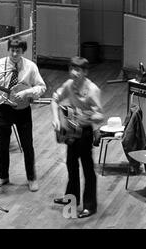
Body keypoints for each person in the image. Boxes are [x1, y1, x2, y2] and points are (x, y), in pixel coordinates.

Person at [0, 36, 46, 192]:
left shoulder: (30, 67)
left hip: (23, 110)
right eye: (12, 50)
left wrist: (27, 92)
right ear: (8, 50)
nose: (14, 54)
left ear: (23, 51)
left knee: (27, 145)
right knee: (3, 145)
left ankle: (31, 178)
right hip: (3, 108)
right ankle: (3, 176)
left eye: (18, 51)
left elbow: (41, 87)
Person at [51, 56, 104, 218]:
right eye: (72, 69)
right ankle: (71, 200)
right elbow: (54, 100)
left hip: (86, 133)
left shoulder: (92, 90)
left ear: (85, 72)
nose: (74, 73)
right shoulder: (69, 85)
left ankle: (90, 205)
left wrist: (86, 118)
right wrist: (56, 118)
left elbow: (100, 115)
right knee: (71, 166)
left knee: (88, 169)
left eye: (78, 70)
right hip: (72, 131)